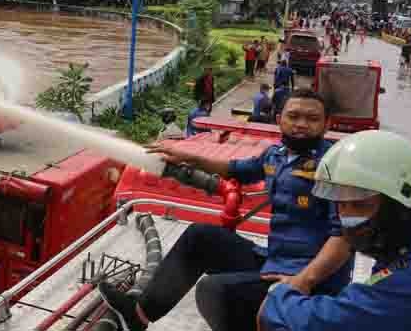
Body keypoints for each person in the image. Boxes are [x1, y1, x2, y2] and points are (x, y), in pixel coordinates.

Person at [99, 89, 354, 331]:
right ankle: (138, 315)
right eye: (293, 116)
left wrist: (304, 281)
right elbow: (236, 169)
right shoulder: (275, 155)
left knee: (217, 291)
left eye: (312, 119)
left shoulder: (334, 168)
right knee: (200, 237)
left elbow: (344, 236)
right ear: (279, 119)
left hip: (313, 280)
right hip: (275, 261)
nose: (301, 124)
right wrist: (188, 157)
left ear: (326, 124)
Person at [258, 130, 411, 331]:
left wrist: (278, 296)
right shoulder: (402, 245)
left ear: (398, 206)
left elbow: (336, 320)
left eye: (359, 204)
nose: (347, 219)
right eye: (341, 204)